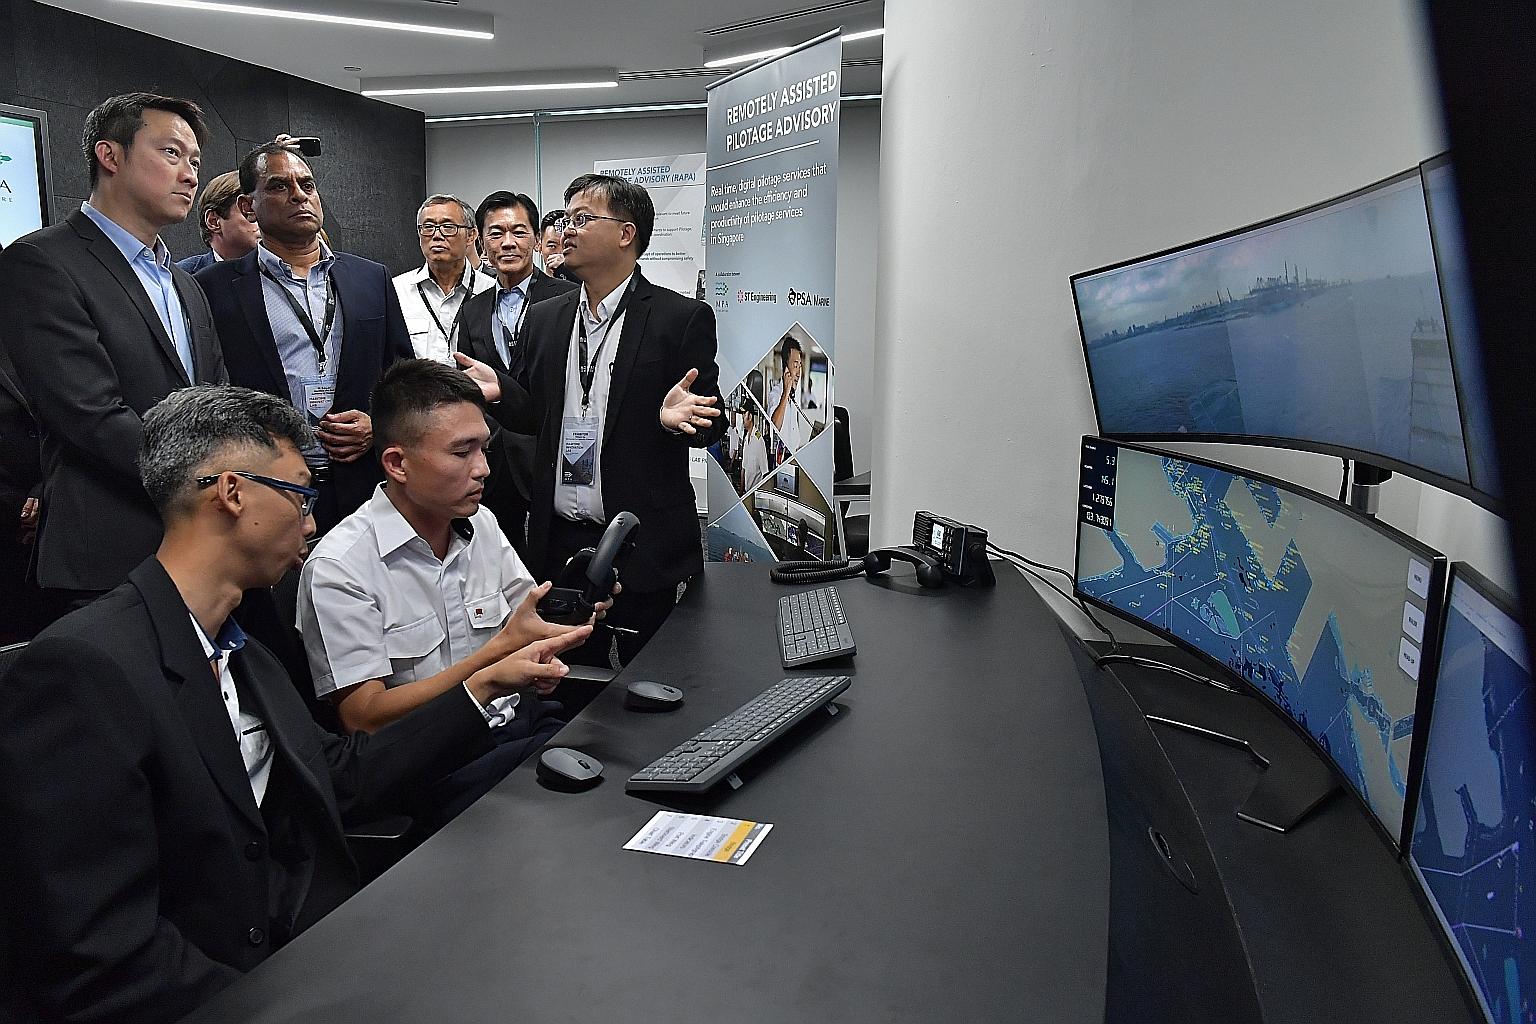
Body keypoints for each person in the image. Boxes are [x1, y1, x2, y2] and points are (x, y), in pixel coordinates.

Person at [0, 385, 589, 1024]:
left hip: (318, 939)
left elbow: (338, 776)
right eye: (300, 495)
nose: (310, 522)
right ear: (232, 493)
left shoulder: (244, 652)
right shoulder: (83, 667)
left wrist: (481, 688)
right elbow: (97, 952)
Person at [299, 359, 606, 822]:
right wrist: (494, 662)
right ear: (397, 464)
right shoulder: (340, 568)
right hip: (432, 772)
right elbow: (364, 718)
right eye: (462, 453)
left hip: (522, 727)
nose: (483, 469)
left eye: (484, 448)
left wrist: (563, 628)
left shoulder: (480, 523)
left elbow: (525, 631)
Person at [456, 173, 724, 665]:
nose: (566, 229)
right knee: (567, 677)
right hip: (560, 539)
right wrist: (501, 394)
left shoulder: (678, 317)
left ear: (626, 234)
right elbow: (537, 413)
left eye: (582, 218)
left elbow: (711, 420)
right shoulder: (546, 318)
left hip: (639, 538)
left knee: (655, 678)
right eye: (565, 218)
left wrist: (672, 419)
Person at [0, 92, 227, 618]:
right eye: (172, 154)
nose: (190, 175)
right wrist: (207, 478)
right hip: (108, 551)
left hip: (202, 548)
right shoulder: (41, 262)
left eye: (195, 161)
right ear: (110, 155)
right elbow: (91, 414)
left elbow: (217, 400)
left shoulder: (186, 285)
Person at [197, 142, 414, 533]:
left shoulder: (370, 279)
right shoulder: (214, 289)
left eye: (307, 184)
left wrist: (377, 425)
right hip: (265, 486)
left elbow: (401, 374)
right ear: (249, 207)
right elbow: (207, 387)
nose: (299, 195)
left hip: (363, 482)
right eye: (279, 186)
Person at [454, 191, 578, 556]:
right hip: (491, 455)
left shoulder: (569, 297)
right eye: (495, 233)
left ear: (537, 240)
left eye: (519, 231)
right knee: (494, 553)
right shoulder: (473, 309)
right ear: (480, 239)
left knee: (550, 557)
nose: (507, 242)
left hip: (550, 451)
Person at [391, 194, 493, 364]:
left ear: (471, 235)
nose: (437, 235)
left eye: (448, 226)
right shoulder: (397, 291)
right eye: (428, 227)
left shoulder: (491, 290)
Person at [176, 169, 260, 273]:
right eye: (249, 210)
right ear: (213, 221)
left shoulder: (279, 270)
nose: (262, 219)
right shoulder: (180, 277)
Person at [767, 335, 805, 454]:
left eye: (800, 366)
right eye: (795, 365)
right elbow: (774, 427)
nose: (798, 372)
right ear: (786, 369)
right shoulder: (776, 393)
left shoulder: (793, 395)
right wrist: (785, 393)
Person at [538, 208, 576, 281]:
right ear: (539, 246)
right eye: (552, 246)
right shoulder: (529, 287)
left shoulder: (587, 286)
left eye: (566, 246)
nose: (560, 253)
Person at [740, 406, 770, 491]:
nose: (743, 422)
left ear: (750, 417)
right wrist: (741, 491)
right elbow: (743, 468)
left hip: (755, 492)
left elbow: (765, 473)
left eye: (744, 418)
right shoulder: (746, 439)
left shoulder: (759, 440)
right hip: (746, 491)